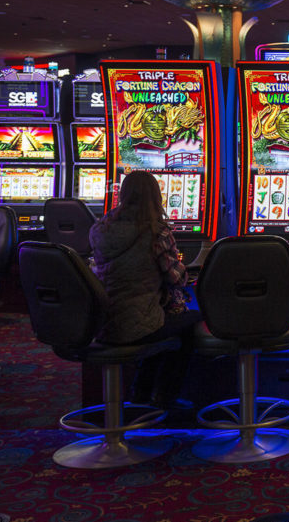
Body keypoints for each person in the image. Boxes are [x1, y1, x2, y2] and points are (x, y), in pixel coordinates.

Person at [90, 171, 201, 409]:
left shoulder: (101, 229)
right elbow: (176, 278)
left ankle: (140, 395)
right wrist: (190, 270)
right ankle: (166, 397)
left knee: (160, 322)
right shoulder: (156, 232)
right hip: (136, 326)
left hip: (102, 324)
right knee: (190, 321)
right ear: (156, 197)